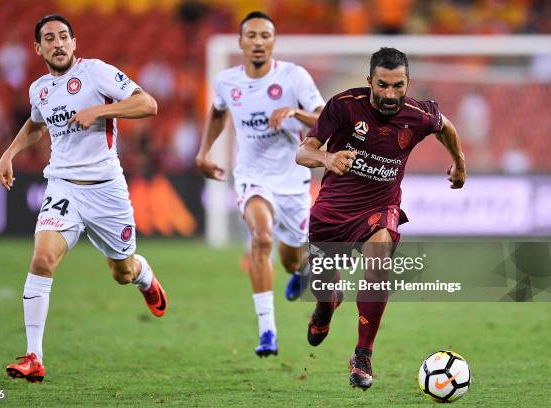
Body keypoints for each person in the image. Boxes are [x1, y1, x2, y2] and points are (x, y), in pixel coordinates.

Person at [0, 14, 168, 383]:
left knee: (121, 272)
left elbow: (147, 104)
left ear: (74, 42)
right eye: (49, 39)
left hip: (106, 190)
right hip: (63, 187)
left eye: (63, 37)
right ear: (38, 48)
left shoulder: (97, 73)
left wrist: (99, 110)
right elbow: (36, 124)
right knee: (42, 259)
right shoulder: (39, 88)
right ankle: (34, 357)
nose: (58, 44)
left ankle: (144, 276)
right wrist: (9, 154)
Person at [296, 47, 466, 389]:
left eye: (398, 86)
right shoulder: (343, 105)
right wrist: (327, 159)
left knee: (379, 261)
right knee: (324, 290)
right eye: (383, 85)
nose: (391, 94)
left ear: (408, 82)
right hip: (331, 213)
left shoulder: (418, 114)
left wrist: (459, 163)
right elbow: (304, 150)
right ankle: (326, 307)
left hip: (380, 207)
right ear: (369, 81)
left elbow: (445, 125)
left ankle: (362, 354)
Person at [195, 11, 324, 357]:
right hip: (251, 177)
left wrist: (295, 114)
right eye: (251, 36)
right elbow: (219, 112)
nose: (257, 42)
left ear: (273, 42)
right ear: (240, 43)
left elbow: (326, 119)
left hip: (293, 180)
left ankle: (302, 268)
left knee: (291, 260)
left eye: (264, 36)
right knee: (261, 237)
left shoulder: (294, 77)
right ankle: (268, 331)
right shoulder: (227, 81)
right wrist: (204, 151)